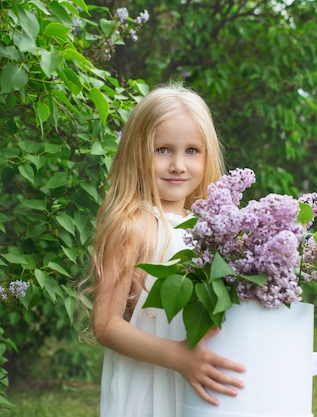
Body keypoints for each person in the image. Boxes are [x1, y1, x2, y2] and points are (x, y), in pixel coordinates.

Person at [90, 84, 246, 417]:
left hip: (199, 373)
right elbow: (105, 324)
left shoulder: (208, 229)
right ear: (137, 151)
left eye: (192, 150)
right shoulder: (132, 225)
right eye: (162, 150)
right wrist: (178, 357)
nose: (177, 164)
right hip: (148, 379)